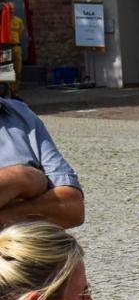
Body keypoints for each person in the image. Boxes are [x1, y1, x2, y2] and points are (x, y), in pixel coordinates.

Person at [0, 97, 83, 230]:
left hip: (26, 250)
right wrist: (23, 178)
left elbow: (72, 208)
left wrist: (9, 212)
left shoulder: (20, 114)